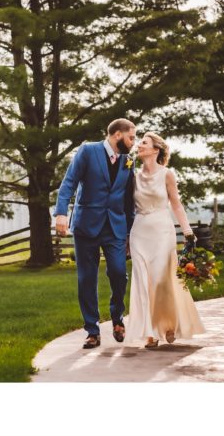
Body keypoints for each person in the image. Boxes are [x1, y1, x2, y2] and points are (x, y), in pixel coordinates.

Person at [53, 118, 136, 349]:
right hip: (86, 225)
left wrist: (130, 232)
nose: (134, 142)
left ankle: (117, 316)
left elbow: (129, 199)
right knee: (86, 278)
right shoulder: (88, 151)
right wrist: (61, 213)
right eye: (132, 137)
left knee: (119, 273)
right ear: (118, 135)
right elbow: (69, 182)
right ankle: (92, 330)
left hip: (115, 227)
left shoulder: (128, 161)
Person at [125, 132, 205, 348]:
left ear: (155, 150)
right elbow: (125, 206)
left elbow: (176, 204)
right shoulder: (131, 175)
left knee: (161, 281)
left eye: (144, 142)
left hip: (163, 231)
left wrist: (188, 232)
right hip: (139, 231)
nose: (138, 145)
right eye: (139, 142)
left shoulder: (167, 174)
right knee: (142, 283)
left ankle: (168, 324)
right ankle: (150, 333)